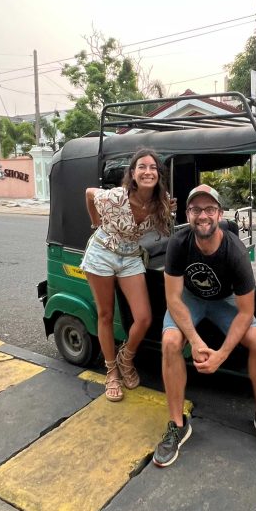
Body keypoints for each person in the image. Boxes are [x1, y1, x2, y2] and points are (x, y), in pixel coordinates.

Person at [153, 184, 256, 467]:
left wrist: (220, 355)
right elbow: (173, 298)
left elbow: (246, 311)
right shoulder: (178, 243)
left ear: (220, 214)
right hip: (190, 299)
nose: (203, 215)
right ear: (187, 214)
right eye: (196, 209)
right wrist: (197, 342)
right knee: (171, 343)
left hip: (226, 301)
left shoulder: (234, 251)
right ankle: (177, 424)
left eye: (210, 209)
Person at [83, 149, 173, 401]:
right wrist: (95, 222)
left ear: (158, 174)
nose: (148, 171)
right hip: (102, 253)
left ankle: (126, 358)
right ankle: (111, 372)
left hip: (131, 255)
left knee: (143, 317)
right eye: (142, 167)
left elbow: (168, 223)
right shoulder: (116, 196)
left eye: (153, 167)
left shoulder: (160, 200)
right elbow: (90, 194)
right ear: (132, 174)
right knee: (106, 314)